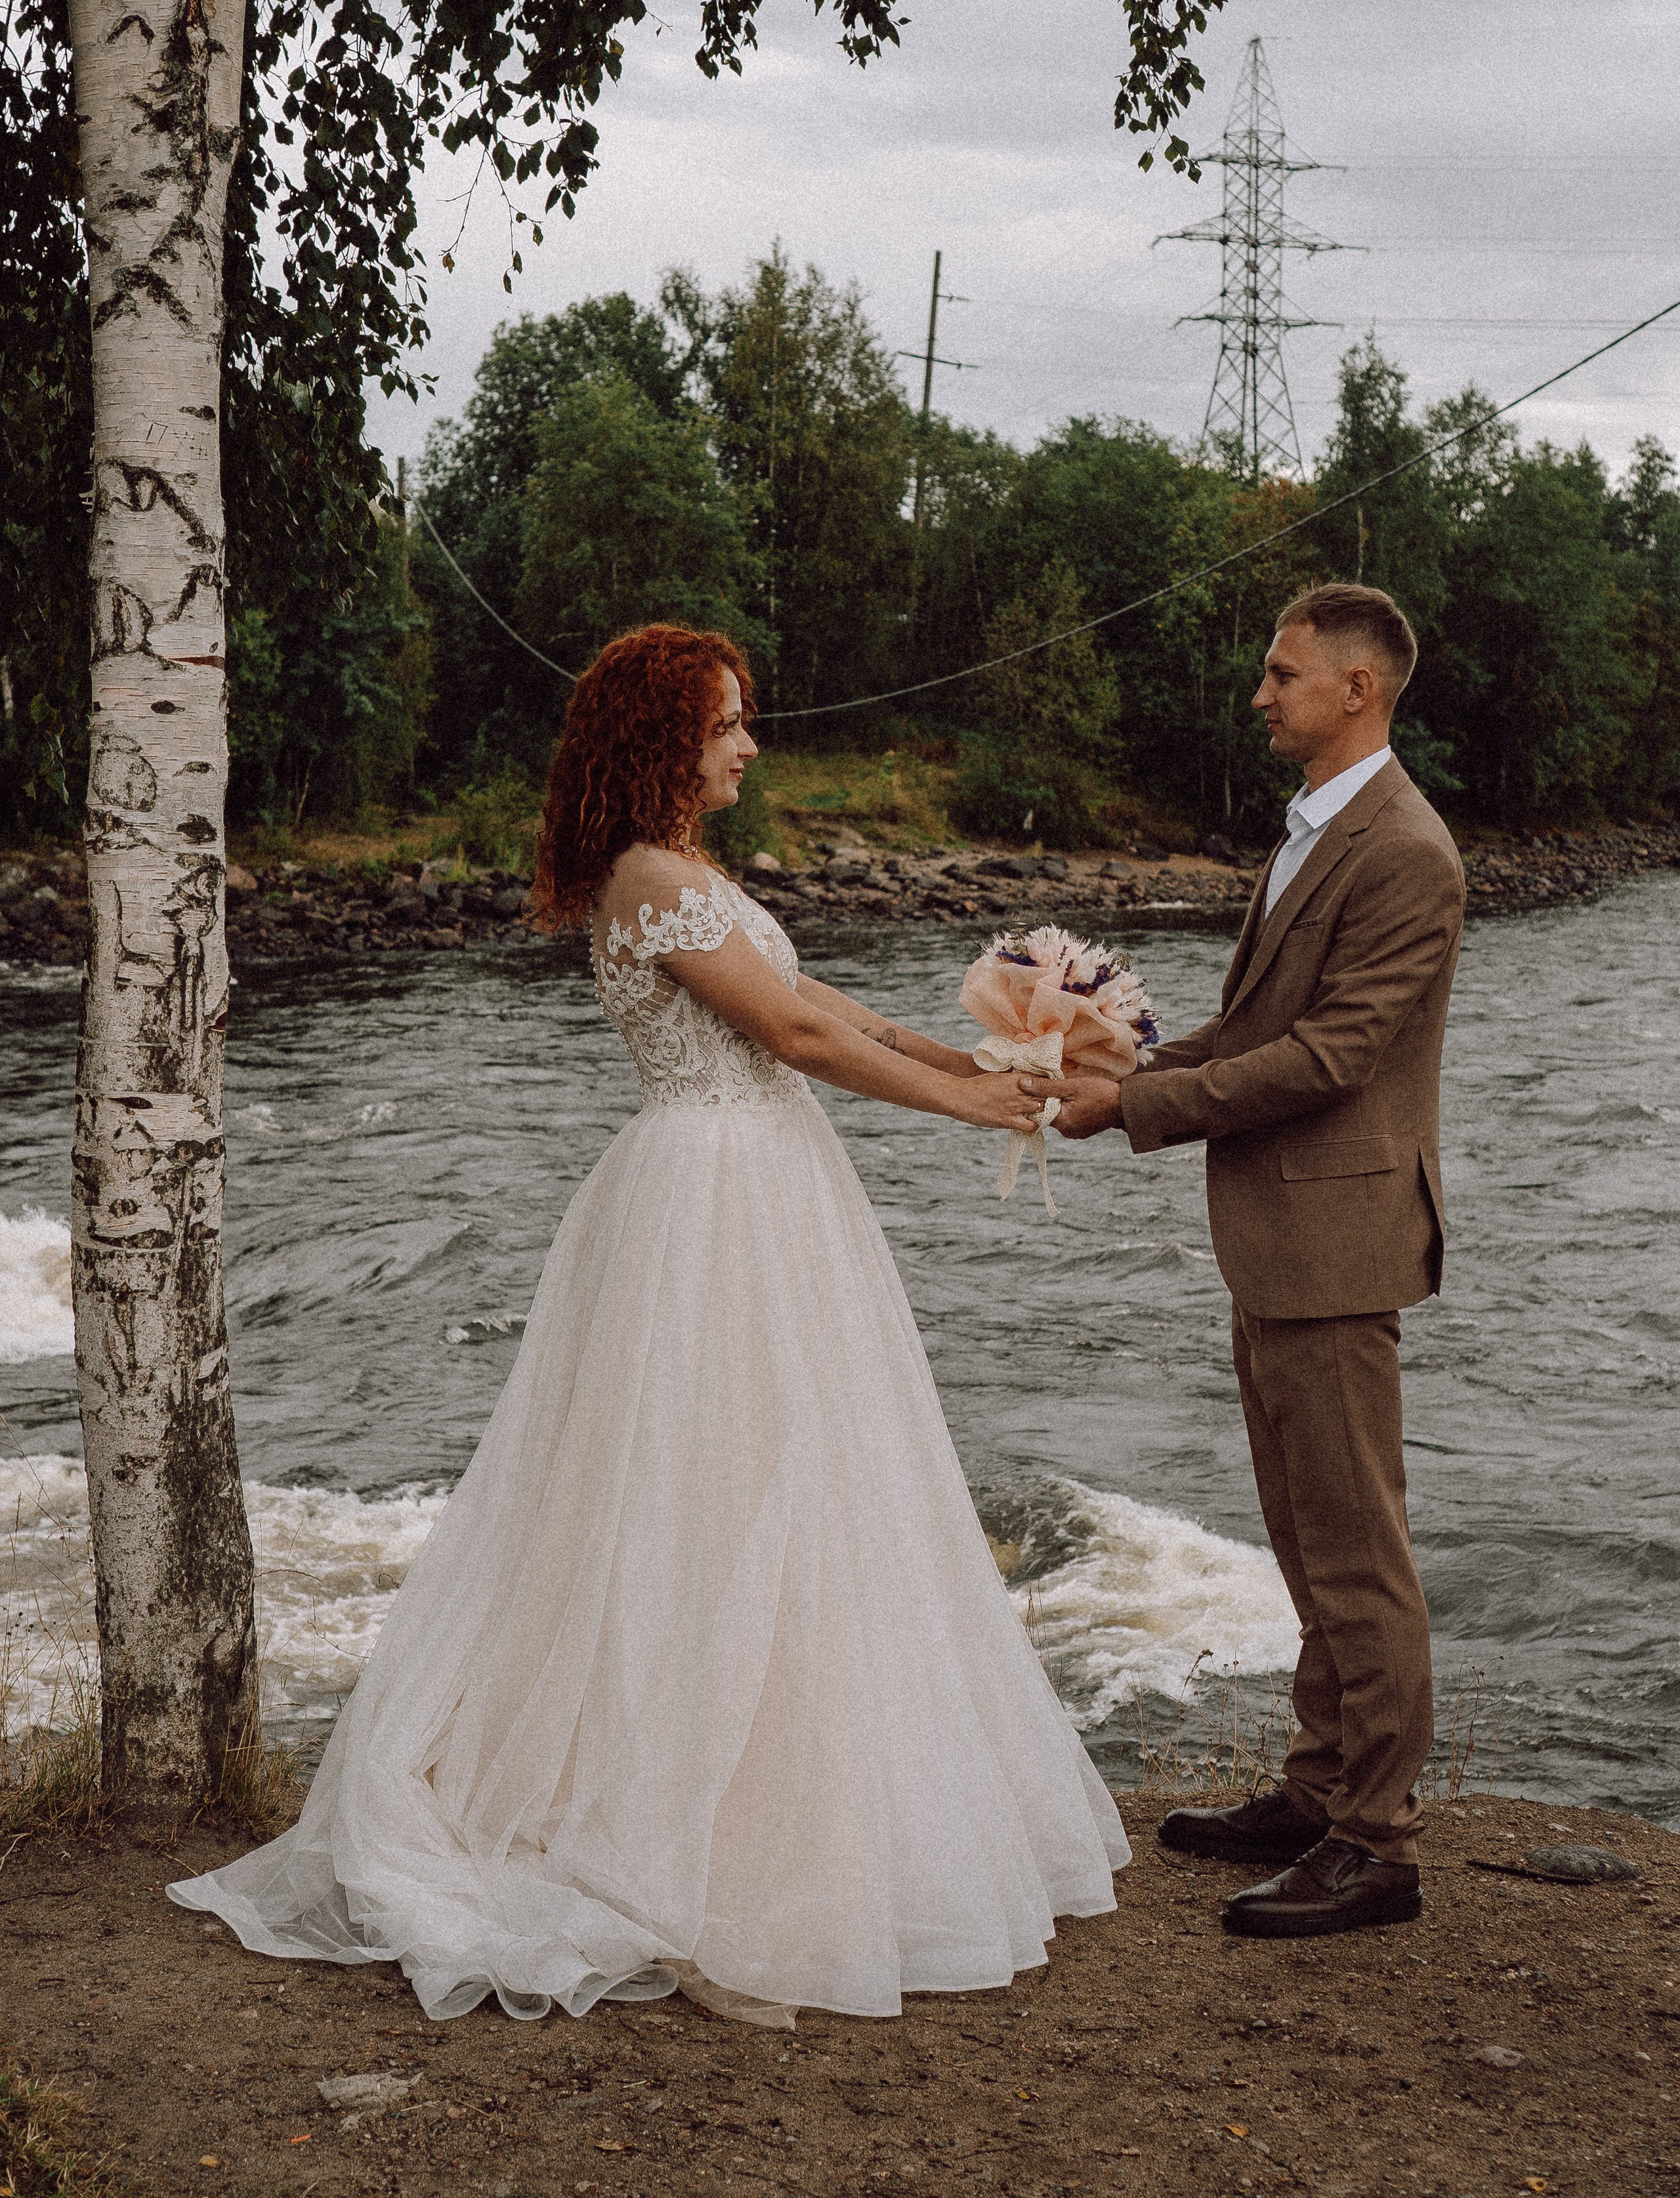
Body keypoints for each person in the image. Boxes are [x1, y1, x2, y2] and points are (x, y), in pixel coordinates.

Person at [169, 623, 1128, 2023]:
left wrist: (976, 1054)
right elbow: (793, 1043)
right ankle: (689, 1836)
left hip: (764, 1182)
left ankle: (781, 1800)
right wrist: (969, 1109)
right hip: (710, 1195)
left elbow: (814, 1002)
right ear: (660, 741)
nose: (748, 744)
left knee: (793, 1484)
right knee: (710, 1490)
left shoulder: (689, 874)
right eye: (727, 724)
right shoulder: (647, 880)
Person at [1033, 583, 1464, 1940]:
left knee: (1356, 1553)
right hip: (1282, 1237)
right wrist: (1133, 1063)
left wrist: (1138, 1110)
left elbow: (1335, 1053)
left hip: (1335, 1243)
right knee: (1301, 1538)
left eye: (1281, 675)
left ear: (1357, 689)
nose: (1259, 694)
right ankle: (1316, 1789)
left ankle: (1376, 1849)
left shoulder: (1405, 849)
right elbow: (1255, 1019)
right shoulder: (1317, 830)